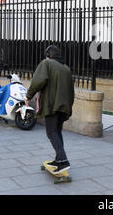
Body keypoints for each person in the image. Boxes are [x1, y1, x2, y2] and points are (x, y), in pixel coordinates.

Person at [25, 45, 74, 174]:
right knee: (57, 131)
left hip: (52, 104)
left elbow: (38, 81)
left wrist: (28, 96)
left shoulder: (47, 64)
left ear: (49, 54)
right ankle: (59, 159)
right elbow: (71, 90)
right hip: (64, 105)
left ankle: (63, 160)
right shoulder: (66, 68)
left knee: (51, 132)